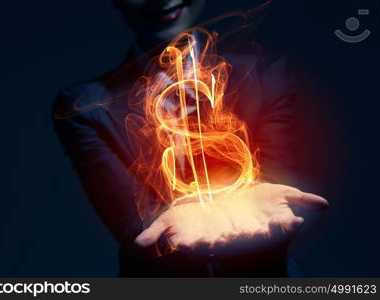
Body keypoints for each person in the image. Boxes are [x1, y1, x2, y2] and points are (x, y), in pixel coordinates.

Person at [53, 0, 328, 277]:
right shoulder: (85, 106)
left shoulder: (266, 76)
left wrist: (261, 222)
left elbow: (275, 184)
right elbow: (132, 223)